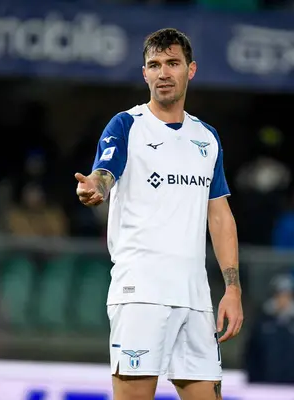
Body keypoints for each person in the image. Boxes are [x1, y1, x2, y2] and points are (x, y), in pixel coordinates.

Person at [74, 28, 242, 400]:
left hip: (195, 296)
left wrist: (232, 288)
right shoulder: (127, 125)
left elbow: (220, 217)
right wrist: (95, 188)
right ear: (144, 73)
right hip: (141, 293)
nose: (163, 72)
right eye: (154, 65)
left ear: (190, 69)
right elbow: (104, 174)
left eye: (172, 63)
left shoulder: (207, 138)